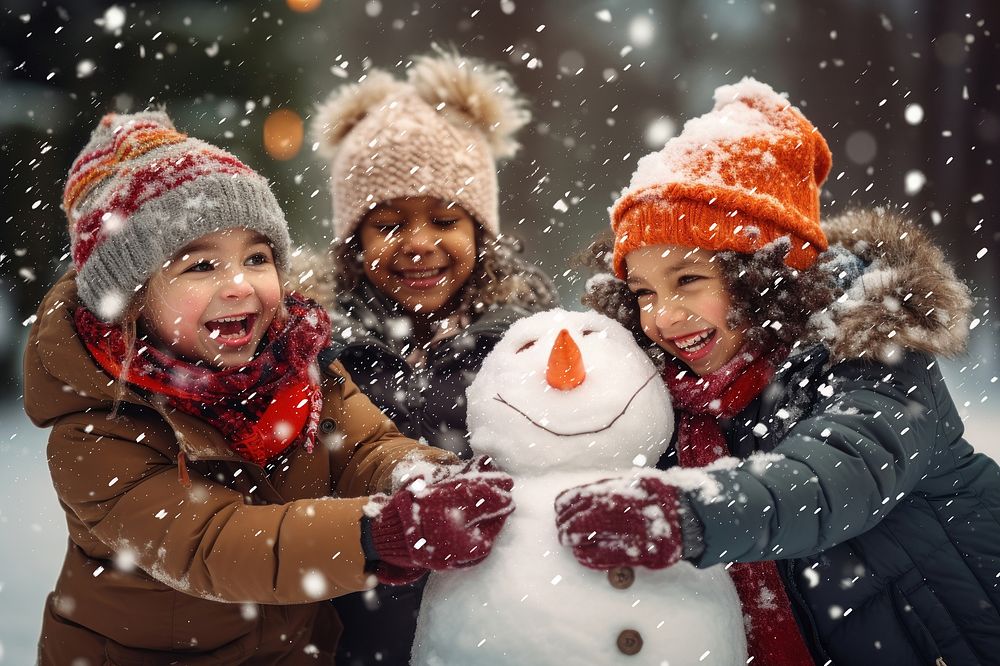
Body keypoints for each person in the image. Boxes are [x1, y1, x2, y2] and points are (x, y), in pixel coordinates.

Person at [25, 111, 515, 665]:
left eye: (256, 258)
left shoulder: (297, 364)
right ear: (132, 297)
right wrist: (377, 533)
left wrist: (421, 474)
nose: (239, 285)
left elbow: (364, 446)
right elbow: (215, 544)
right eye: (201, 265)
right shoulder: (97, 429)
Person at [561, 78, 1000, 665]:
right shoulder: (677, 400)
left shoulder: (872, 354)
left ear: (762, 274)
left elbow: (830, 477)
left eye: (688, 280)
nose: (661, 317)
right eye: (641, 293)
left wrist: (683, 512)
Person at [303, 50, 557, 664]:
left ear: (481, 234)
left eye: (445, 219)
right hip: (349, 632)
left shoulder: (527, 341)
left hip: (492, 630)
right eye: (388, 224)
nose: (419, 245)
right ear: (353, 243)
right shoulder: (314, 350)